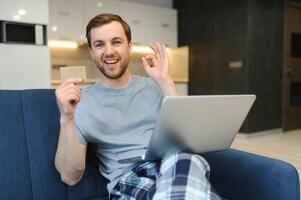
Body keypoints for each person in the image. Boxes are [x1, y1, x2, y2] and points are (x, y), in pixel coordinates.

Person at [55, 13, 221, 200]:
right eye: (99, 44)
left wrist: (166, 81)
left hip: (173, 165)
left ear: (129, 46)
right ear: (92, 52)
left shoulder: (156, 86)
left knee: (187, 160)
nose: (108, 51)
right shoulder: (80, 101)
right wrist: (66, 118)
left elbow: (190, 140)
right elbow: (70, 176)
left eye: (116, 42)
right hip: (129, 180)